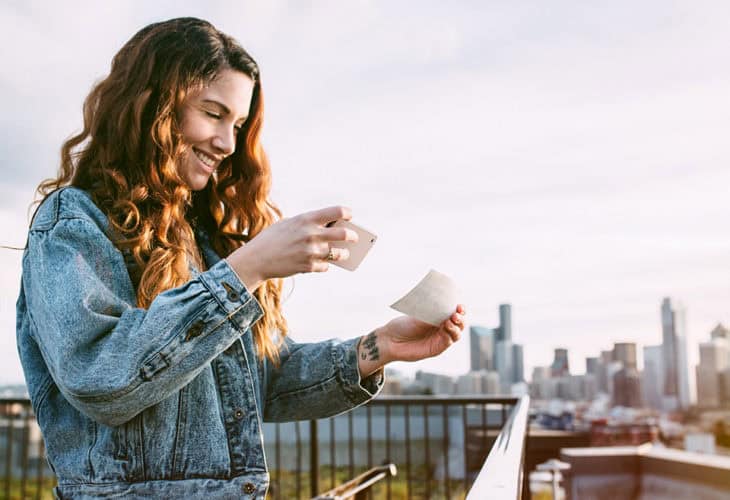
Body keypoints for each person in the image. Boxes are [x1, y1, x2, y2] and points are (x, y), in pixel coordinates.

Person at [16, 17, 465, 499]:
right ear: (152, 104)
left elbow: (261, 379)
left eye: (237, 124)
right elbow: (100, 377)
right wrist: (246, 269)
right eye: (213, 113)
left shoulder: (200, 238)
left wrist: (377, 349)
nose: (228, 143)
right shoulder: (72, 223)